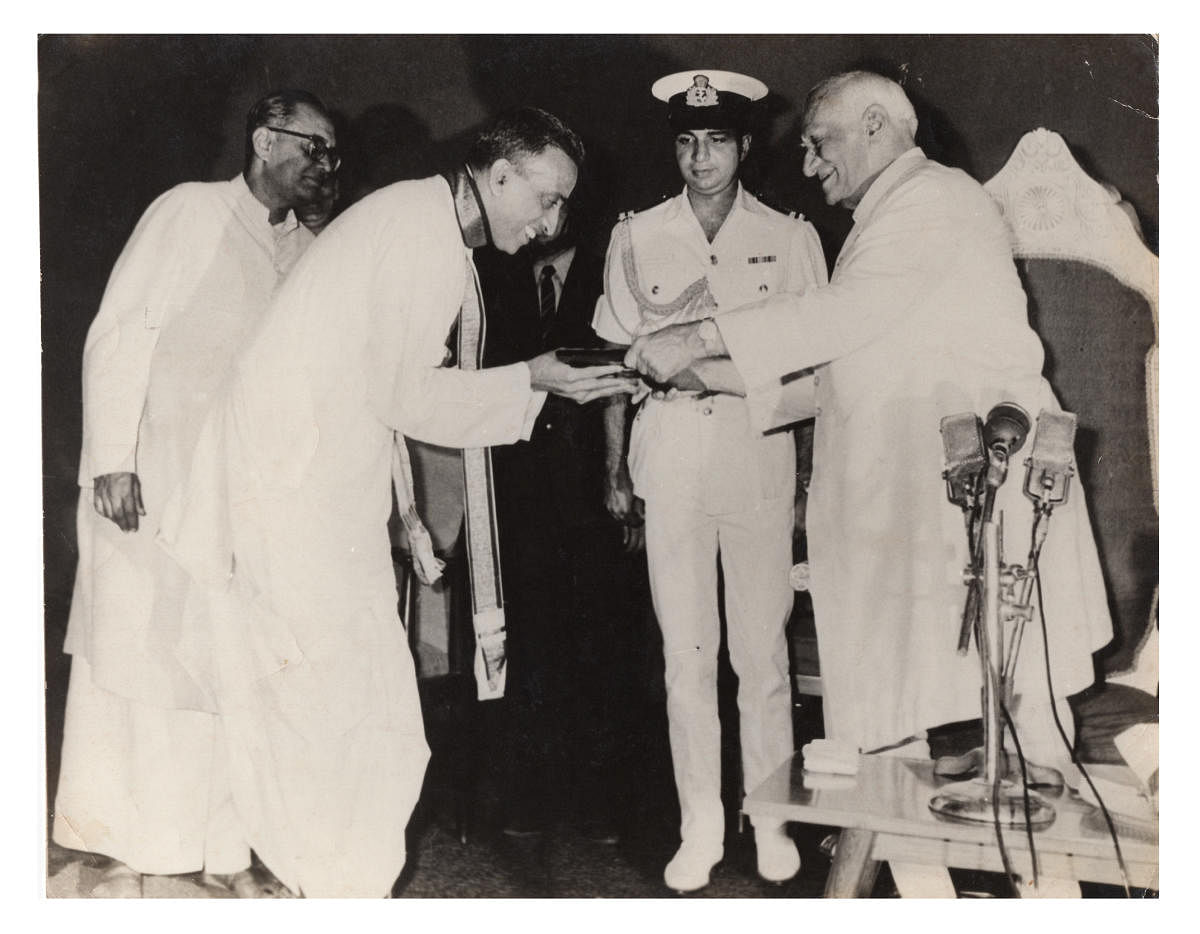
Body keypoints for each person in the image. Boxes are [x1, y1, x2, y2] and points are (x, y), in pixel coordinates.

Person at [626, 71, 1114, 897]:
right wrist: (710, 378)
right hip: (923, 518)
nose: (811, 165)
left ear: (879, 124)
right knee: (901, 742)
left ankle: (1052, 903)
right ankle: (925, 897)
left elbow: (835, 321)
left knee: (1024, 743)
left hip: (983, 511)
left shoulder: (935, 200)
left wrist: (694, 334)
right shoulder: (883, 218)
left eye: (821, 144)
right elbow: (841, 372)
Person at [158, 107, 638, 898]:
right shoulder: (426, 239)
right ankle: (318, 885)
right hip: (291, 501)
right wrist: (536, 379)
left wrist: (409, 514)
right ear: (500, 174)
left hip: (302, 495)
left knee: (321, 703)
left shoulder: (418, 217)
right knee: (358, 717)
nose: (552, 223)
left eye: (564, 208)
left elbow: (368, 380)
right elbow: (407, 396)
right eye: (545, 198)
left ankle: (261, 870)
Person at [52, 89, 339, 898]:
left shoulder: (303, 249)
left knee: (227, 674)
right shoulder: (189, 211)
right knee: (137, 663)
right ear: (262, 141)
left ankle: (223, 852)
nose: (324, 167)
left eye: (331, 155)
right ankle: (123, 847)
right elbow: (121, 330)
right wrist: (111, 456)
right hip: (148, 482)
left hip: (236, 503)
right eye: (311, 148)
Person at [591, 71, 828, 893]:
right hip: (672, 463)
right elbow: (620, 365)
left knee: (761, 654)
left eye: (717, 141)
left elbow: (814, 364)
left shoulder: (790, 237)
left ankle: (771, 822)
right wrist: (616, 466)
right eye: (687, 142)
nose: (700, 157)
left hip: (759, 457)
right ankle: (700, 825)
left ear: (744, 146)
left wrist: (810, 483)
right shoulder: (637, 234)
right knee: (686, 656)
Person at [475, 198, 652, 843]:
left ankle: (605, 804)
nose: (546, 222)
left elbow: (626, 379)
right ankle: (533, 800)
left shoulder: (611, 270)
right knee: (532, 640)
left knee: (603, 641)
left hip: (592, 490)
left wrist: (624, 479)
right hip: (520, 492)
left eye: (560, 206)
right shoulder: (497, 272)